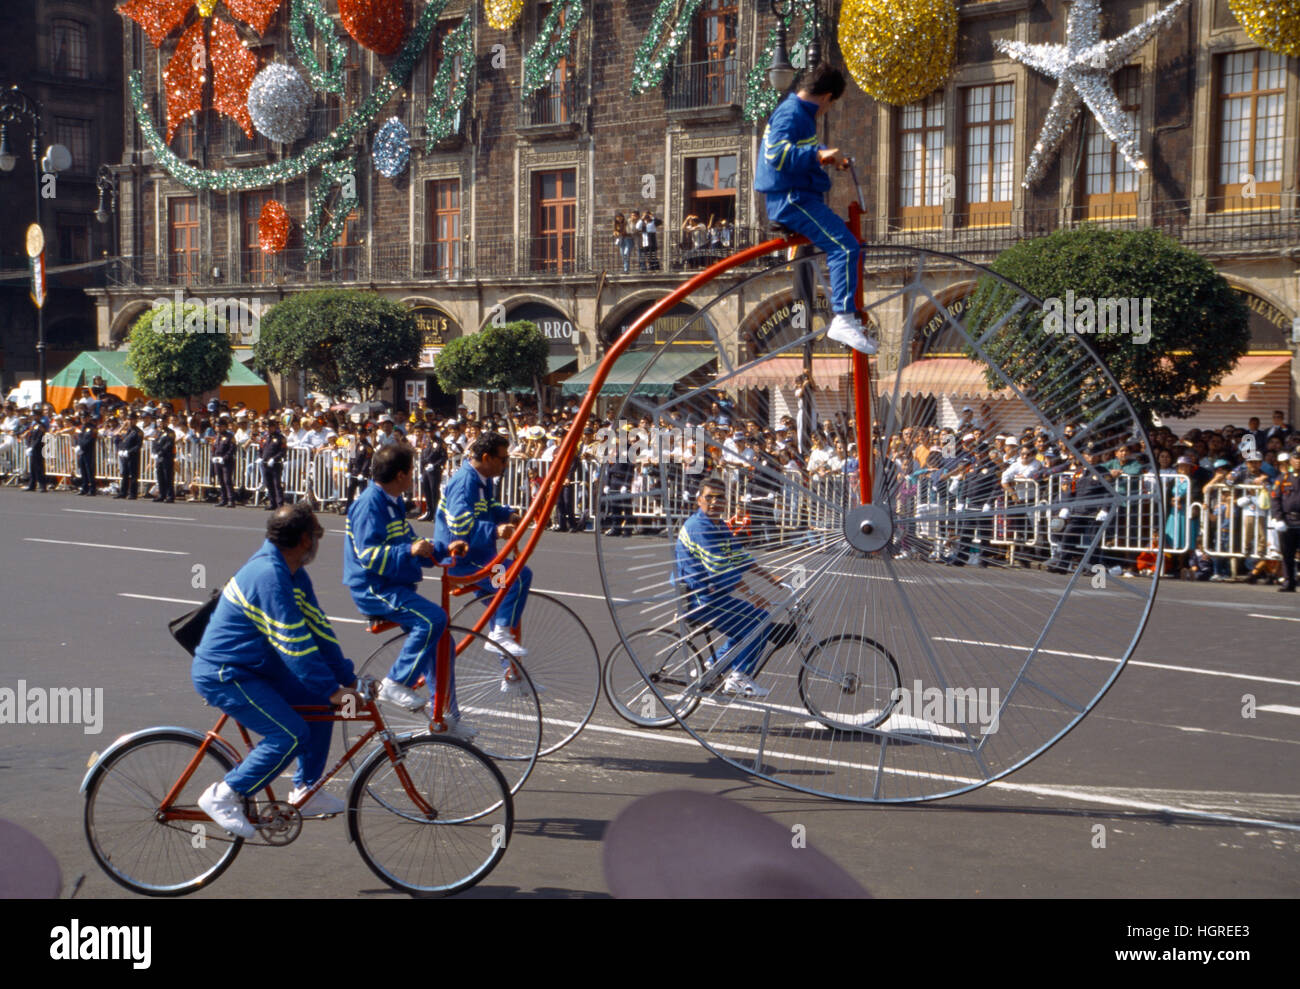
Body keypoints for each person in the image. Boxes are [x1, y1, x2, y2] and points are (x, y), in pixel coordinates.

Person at [192, 502, 363, 839]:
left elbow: (319, 630)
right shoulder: (269, 576)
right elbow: (295, 643)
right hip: (227, 674)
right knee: (290, 735)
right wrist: (333, 689)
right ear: (304, 540)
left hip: (256, 667)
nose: (316, 544)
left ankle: (306, 790)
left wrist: (348, 678)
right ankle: (223, 794)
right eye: (315, 537)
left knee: (319, 702)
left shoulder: (294, 572)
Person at [344, 443, 475, 737]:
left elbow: (412, 542)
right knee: (433, 619)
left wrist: (441, 549)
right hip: (374, 587)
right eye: (411, 471)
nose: (412, 477)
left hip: (395, 584)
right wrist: (409, 549)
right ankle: (396, 682)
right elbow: (368, 555)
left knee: (443, 643)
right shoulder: (369, 504)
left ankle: (447, 716)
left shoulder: (392, 502)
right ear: (402, 475)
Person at [754, 62, 877, 355]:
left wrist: (829, 157)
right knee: (845, 247)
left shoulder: (800, 115)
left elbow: (800, 147)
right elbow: (776, 155)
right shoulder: (792, 112)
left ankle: (849, 315)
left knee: (852, 246)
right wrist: (819, 155)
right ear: (827, 97)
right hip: (792, 199)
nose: (827, 110)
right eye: (830, 105)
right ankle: (843, 318)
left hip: (799, 196)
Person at [674, 476, 787, 698]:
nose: (715, 502)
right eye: (709, 497)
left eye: (720, 498)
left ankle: (712, 667)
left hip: (714, 595)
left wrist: (769, 577)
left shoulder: (718, 525)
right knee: (759, 621)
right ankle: (739, 677)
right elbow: (720, 567)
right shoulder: (699, 527)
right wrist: (753, 594)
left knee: (749, 625)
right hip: (700, 597)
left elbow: (739, 556)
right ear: (699, 500)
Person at [435, 432, 533, 661]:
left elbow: (489, 506)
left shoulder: (483, 480)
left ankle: (511, 672)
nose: (506, 464)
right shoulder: (464, 482)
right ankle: (500, 635)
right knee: (519, 576)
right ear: (487, 458)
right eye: (502, 459)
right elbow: (459, 524)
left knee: (502, 604)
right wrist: (494, 530)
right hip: (465, 560)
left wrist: (509, 515)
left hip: (482, 556)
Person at [1270, 452, 1300, 592]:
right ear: (1291, 461)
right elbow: (1275, 499)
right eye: (1296, 459)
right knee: (1287, 554)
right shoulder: (1283, 478)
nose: (1298, 462)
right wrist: (1278, 518)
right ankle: (1289, 582)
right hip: (1288, 520)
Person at [417, 427, 447, 522]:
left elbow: (443, 457)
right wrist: (421, 471)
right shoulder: (426, 441)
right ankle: (429, 512)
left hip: (434, 470)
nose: (429, 433)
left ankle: (436, 513)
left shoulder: (440, 442)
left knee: (434, 492)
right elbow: (423, 456)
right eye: (427, 432)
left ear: (434, 431)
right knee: (427, 491)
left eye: (431, 431)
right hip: (426, 469)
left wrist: (434, 465)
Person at [260, 418, 287, 509]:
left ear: (274, 427)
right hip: (265, 463)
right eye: (267, 427)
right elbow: (261, 449)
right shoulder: (264, 437)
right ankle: (272, 503)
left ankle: (280, 504)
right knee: (268, 484)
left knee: (277, 484)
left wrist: (274, 459)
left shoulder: (280, 438)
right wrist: (260, 458)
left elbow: (282, 451)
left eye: (270, 427)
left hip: (275, 464)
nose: (268, 429)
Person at [114, 414, 142, 499]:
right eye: (128, 420)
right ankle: (123, 492)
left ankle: (133, 493)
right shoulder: (127, 430)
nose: (130, 421)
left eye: (132, 420)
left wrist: (129, 452)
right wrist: (120, 449)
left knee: (133, 475)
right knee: (124, 474)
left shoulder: (138, 432)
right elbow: (121, 440)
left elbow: (138, 445)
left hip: (133, 456)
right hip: (125, 455)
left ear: (135, 420)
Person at [212, 416, 237, 507]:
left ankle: (231, 500)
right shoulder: (217, 436)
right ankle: (223, 499)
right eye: (217, 426)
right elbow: (214, 448)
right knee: (221, 480)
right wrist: (214, 457)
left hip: (227, 461)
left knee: (227, 480)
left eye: (220, 426)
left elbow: (232, 449)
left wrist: (224, 458)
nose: (218, 428)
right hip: (218, 460)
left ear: (225, 427)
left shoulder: (230, 436)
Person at [152, 416, 176, 503]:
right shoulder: (158, 432)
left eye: (162, 422)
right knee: (160, 476)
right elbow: (155, 443)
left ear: (166, 422)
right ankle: (162, 494)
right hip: (159, 458)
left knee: (168, 477)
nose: (160, 424)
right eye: (159, 422)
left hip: (167, 457)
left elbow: (169, 444)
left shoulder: (170, 432)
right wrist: (154, 452)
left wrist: (160, 452)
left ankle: (170, 496)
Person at [23, 413, 49, 492]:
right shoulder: (34, 425)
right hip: (32, 447)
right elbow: (31, 436)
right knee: (32, 467)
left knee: (39, 467)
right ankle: (32, 484)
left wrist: (33, 446)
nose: (34, 417)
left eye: (35, 415)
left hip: (39, 448)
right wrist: (29, 445)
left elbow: (40, 437)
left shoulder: (41, 425)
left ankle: (42, 485)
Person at [74, 413, 97, 496]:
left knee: (89, 471)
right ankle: (84, 488)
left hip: (88, 451)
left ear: (88, 418)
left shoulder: (92, 427)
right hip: (81, 452)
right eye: (82, 418)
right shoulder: (80, 428)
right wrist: (76, 446)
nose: (84, 419)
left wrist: (82, 447)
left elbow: (90, 439)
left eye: (85, 418)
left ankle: (92, 489)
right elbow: (76, 437)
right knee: (83, 470)